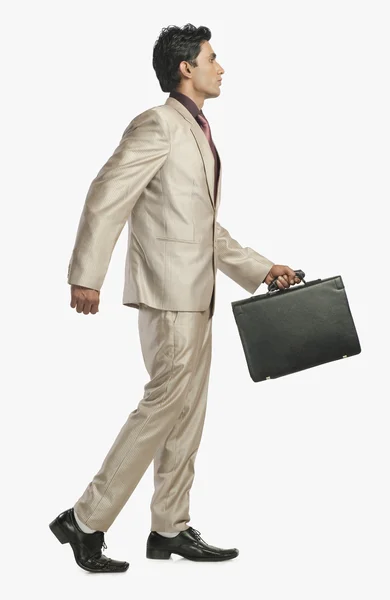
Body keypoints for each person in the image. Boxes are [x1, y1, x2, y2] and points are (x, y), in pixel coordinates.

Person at [49, 23, 301, 573]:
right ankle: (84, 520)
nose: (221, 66)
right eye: (213, 57)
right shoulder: (157, 125)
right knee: (164, 404)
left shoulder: (197, 129)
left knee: (187, 412)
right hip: (168, 296)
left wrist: (262, 269)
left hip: (197, 293)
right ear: (186, 67)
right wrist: (85, 274)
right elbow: (106, 194)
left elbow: (202, 227)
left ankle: (170, 527)